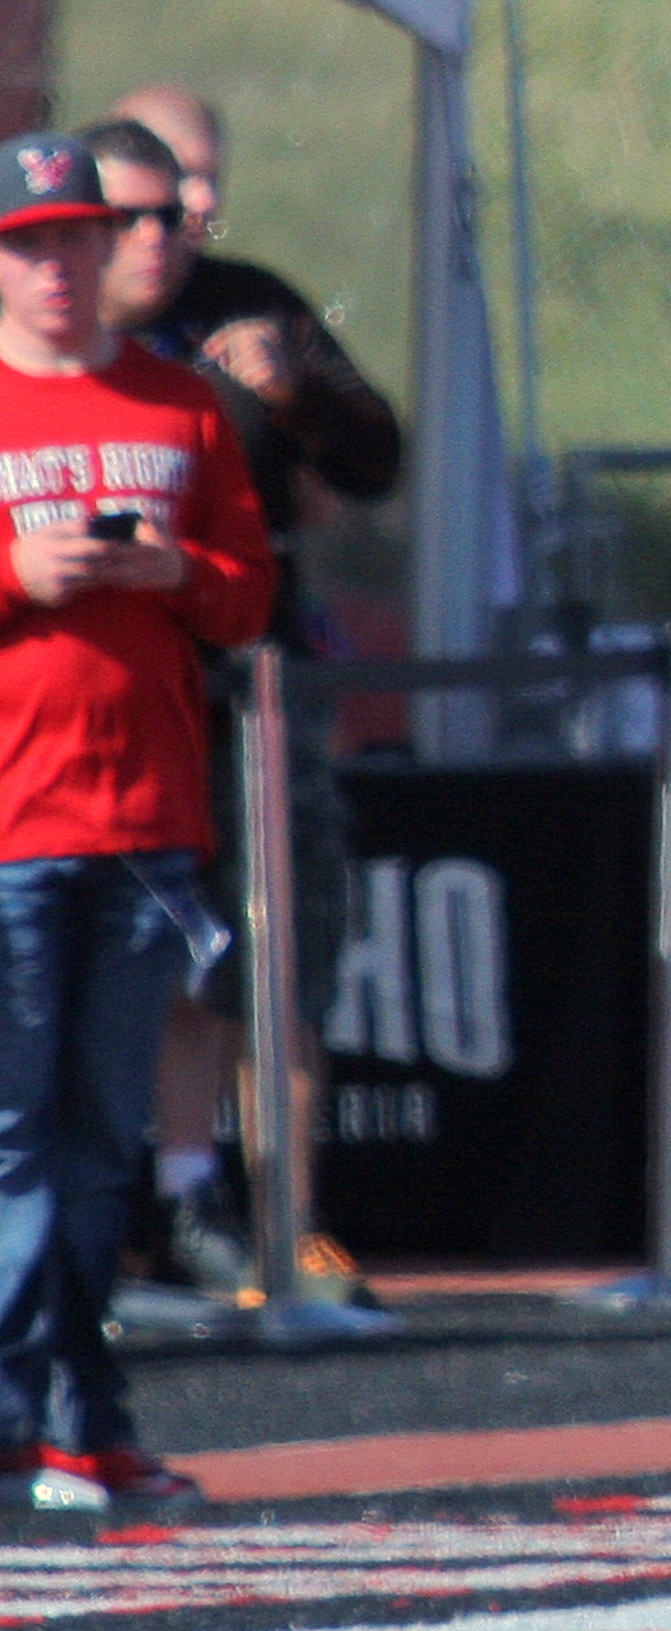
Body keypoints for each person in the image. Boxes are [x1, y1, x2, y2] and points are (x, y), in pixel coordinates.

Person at [0, 131, 274, 1508]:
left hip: (146, 816)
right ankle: (33, 1407)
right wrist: (16, 566)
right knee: (16, 1141)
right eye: (31, 243)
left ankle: (75, 1414)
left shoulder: (183, 407)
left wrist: (173, 564)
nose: (58, 266)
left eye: (77, 238)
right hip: (11, 822)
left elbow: (247, 592)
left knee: (103, 1139)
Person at [88, 111, 401, 1306]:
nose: (163, 235)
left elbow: (364, 472)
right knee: (151, 959)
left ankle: (287, 1222)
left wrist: (297, 398)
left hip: (252, 678)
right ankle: (164, 1203)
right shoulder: (44, 348)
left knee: (283, 954)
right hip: (105, 695)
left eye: (179, 209)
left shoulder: (249, 299)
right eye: (131, 216)